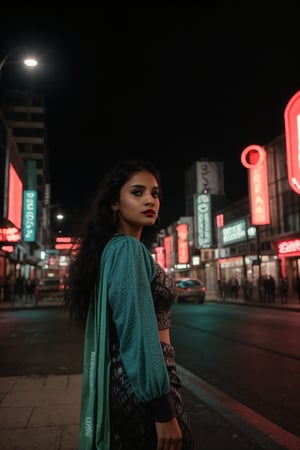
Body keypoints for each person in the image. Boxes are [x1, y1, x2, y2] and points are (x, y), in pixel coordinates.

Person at [64, 159, 195, 450]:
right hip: (145, 387)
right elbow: (136, 331)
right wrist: (162, 410)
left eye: (155, 193)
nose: (150, 199)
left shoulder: (112, 249)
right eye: (137, 192)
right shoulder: (127, 249)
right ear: (114, 203)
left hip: (128, 381)